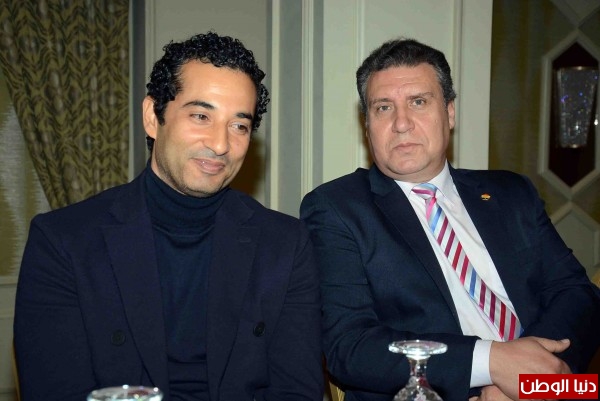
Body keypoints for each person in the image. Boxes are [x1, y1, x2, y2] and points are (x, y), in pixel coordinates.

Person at [14, 31, 323, 401]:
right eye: (200, 116)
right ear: (152, 117)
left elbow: (295, 391)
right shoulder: (63, 242)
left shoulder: (285, 245)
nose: (220, 144)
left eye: (239, 125)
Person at [300, 37, 600, 401]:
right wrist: (492, 364)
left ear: (450, 113)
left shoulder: (511, 192)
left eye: (419, 102)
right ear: (367, 125)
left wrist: (532, 378)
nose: (401, 123)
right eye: (383, 107)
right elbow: (351, 347)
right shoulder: (337, 208)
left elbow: (577, 293)